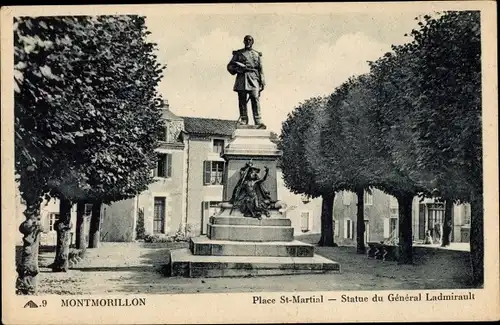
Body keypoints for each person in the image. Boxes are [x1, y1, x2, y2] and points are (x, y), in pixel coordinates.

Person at [227, 35, 266, 129]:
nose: (248, 42)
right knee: (242, 100)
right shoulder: (238, 53)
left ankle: (258, 120)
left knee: (255, 98)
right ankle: (244, 119)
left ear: (252, 42)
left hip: (254, 78)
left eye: (250, 40)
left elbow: (260, 69)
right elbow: (230, 66)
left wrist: (262, 82)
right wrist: (238, 69)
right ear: (244, 41)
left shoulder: (257, 54)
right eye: (246, 40)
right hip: (242, 78)